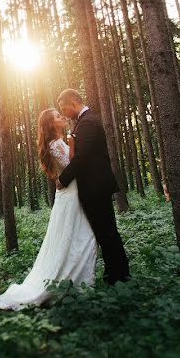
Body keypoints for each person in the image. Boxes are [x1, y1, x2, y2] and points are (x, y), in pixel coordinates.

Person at [0, 107, 97, 310]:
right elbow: (71, 165)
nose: (62, 117)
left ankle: (79, 280)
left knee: (78, 235)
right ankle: (73, 282)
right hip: (71, 194)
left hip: (71, 191)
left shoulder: (57, 142)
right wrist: (72, 144)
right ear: (51, 124)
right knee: (79, 236)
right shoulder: (56, 144)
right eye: (57, 117)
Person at [56, 88, 130, 285]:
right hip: (93, 186)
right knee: (104, 232)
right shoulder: (83, 121)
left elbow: (82, 157)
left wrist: (63, 179)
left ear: (73, 102)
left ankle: (119, 275)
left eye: (64, 107)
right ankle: (115, 272)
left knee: (106, 232)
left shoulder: (88, 122)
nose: (64, 112)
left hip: (96, 187)